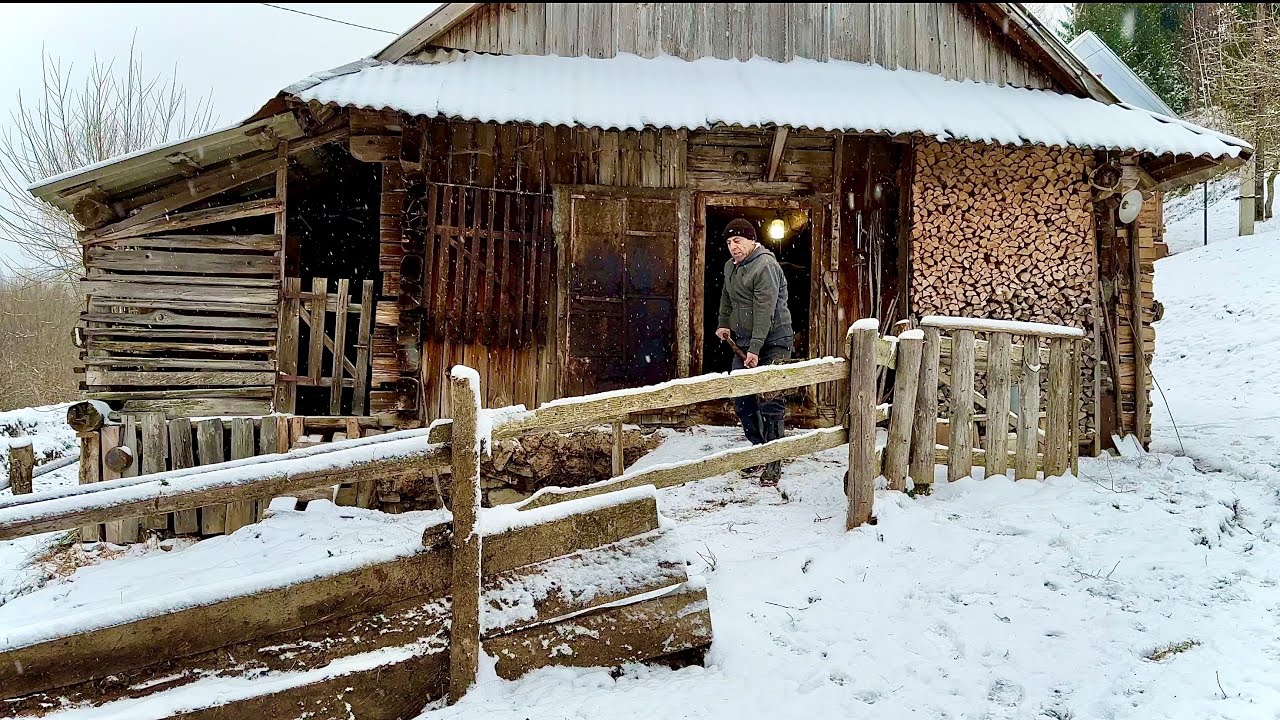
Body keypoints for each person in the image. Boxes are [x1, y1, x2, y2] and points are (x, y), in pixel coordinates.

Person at [715, 217, 794, 486]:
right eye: (728, 242)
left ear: (751, 240)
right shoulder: (731, 267)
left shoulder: (765, 266)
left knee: (770, 401)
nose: (732, 246)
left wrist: (756, 349)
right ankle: (760, 449)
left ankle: (774, 462)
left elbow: (765, 311)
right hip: (745, 341)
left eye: (737, 240)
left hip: (774, 341)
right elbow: (727, 296)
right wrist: (724, 323)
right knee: (741, 398)